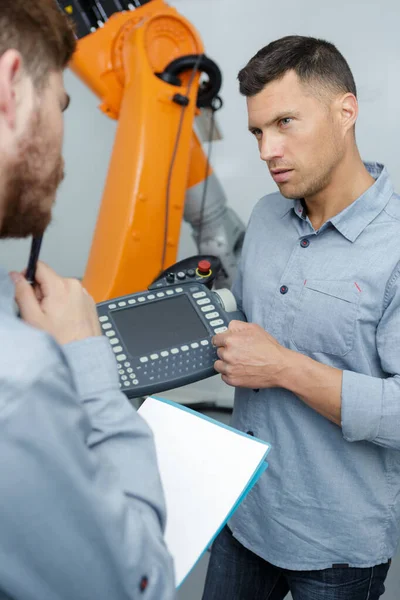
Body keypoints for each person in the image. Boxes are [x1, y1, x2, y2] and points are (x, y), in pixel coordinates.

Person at [203, 35, 399, 600]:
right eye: (258, 131)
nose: (267, 149)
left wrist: (283, 367)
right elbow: (252, 324)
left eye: (285, 123)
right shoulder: (267, 216)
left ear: (346, 111)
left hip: (335, 550)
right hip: (244, 514)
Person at [0, 2, 175, 598]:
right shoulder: (18, 381)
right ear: (9, 88)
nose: (62, 143)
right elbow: (139, 585)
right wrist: (83, 354)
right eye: (60, 104)